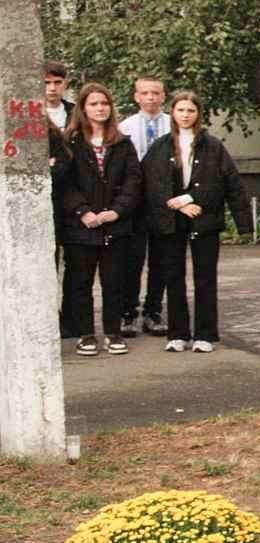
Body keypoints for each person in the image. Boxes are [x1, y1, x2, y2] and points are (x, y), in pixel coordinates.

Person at [143, 91, 251, 353]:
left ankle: (205, 334)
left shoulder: (213, 146)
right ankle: (177, 333)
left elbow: (226, 183)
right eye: (180, 110)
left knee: (205, 277)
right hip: (170, 222)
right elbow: (150, 182)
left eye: (190, 110)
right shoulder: (160, 145)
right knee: (173, 276)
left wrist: (244, 224)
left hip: (205, 221)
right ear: (173, 112)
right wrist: (176, 204)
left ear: (198, 114)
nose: (185, 115)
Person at [53, 84, 143, 357]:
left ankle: (113, 333)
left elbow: (133, 181)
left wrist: (117, 211)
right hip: (81, 227)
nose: (100, 108)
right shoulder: (70, 142)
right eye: (93, 104)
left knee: (114, 281)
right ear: (83, 108)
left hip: (115, 225)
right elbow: (64, 184)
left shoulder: (123, 143)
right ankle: (85, 334)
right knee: (80, 283)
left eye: (104, 103)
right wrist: (83, 211)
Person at [116, 75, 173, 337]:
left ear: (163, 96)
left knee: (161, 259)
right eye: (145, 93)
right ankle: (128, 312)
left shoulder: (173, 125)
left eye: (155, 93)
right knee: (132, 259)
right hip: (136, 203)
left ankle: (153, 311)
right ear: (136, 97)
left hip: (165, 202)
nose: (150, 97)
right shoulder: (125, 127)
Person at [41, 61, 72, 132]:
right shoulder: (30, 115)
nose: (52, 88)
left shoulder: (76, 112)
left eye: (57, 82)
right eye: (47, 83)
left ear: (65, 84)